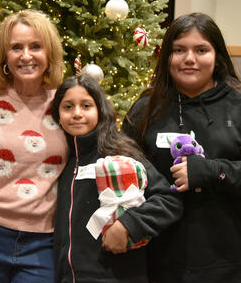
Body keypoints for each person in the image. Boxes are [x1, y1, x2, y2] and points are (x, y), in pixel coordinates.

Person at [121, 12, 241, 283]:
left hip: (229, 263)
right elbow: (125, 172)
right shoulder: (145, 108)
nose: (189, 59)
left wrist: (211, 171)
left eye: (201, 50)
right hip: (158, 261)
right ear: (166, 56)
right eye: (179, 50)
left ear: (217, 55)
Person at [0, 9, 68, 283]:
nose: (26, 55)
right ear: (4, 56)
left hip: (43, 239)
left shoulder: (65, 102)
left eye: (35, 46)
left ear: (49, 54)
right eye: (16, 47)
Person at [50, 74, 182, 283]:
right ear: (57, 113)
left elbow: (169, 200)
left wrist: (128, 225)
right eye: (67, 107)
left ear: (100, 110)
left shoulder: (120, 154)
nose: (76, 114)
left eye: (86, 106)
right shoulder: (61, 161)